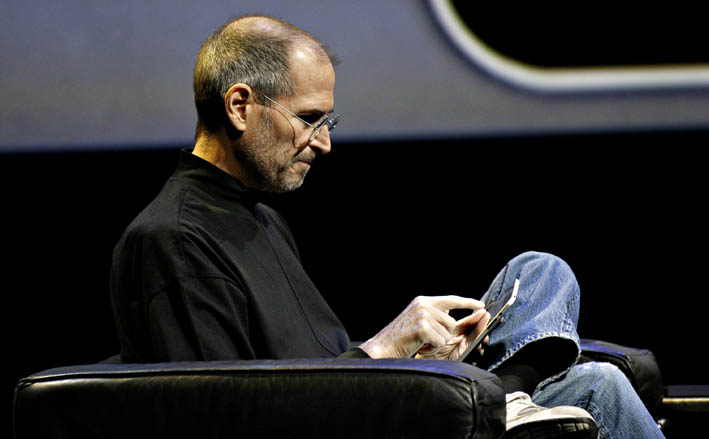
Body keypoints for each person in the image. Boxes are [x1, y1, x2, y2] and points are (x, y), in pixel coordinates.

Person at [110, 14, 664, 439]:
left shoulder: (262, 218)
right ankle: (498, 398)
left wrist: (416, 362)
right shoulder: (175, 240)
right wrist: (383, 350)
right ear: (238, 106)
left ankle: (504, 396)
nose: (325, 143)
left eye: (328, 121)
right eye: (310, 120)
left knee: (548, 284)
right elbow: (231, 414)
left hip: (365, 405)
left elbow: (313, 368)